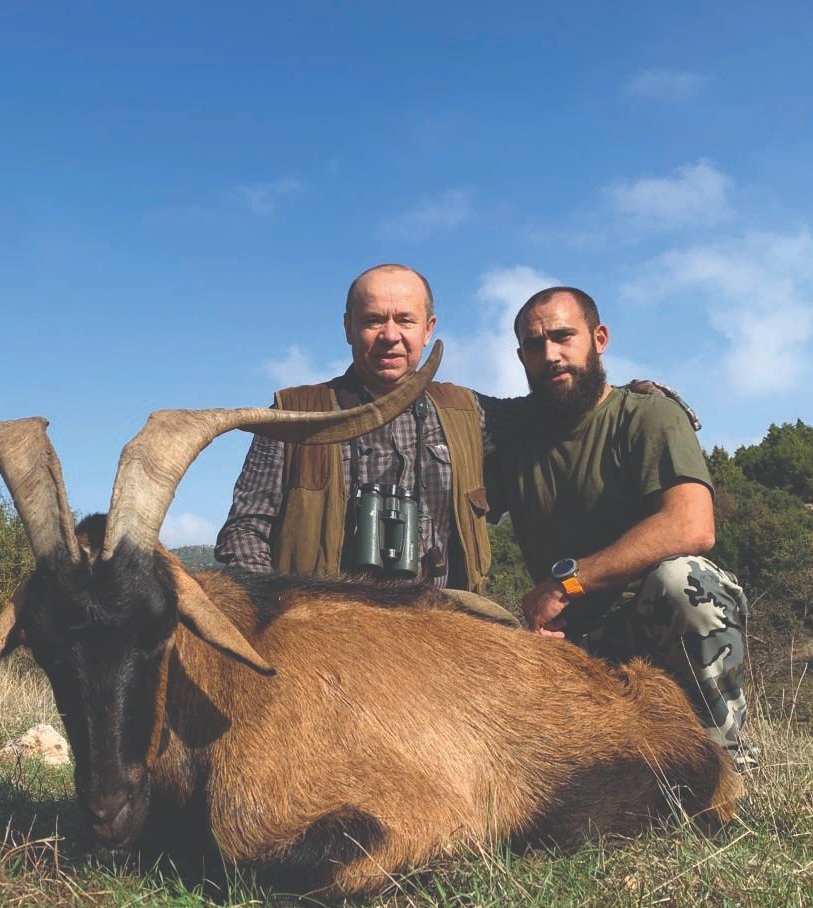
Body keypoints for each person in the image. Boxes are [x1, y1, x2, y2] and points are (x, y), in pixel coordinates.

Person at [485, 286, 750, 760]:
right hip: (564, 645)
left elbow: (692, 524)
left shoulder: (649, 415)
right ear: (521, 358)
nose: (551, 355)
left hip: (651, 631)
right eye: (534, 345)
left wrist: (567, 583)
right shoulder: (512, 441)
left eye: (563, 336)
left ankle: (725, 763)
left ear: (599, 338)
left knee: (687, 582)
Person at [215, 263, 495, 593]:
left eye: (405, 320)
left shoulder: (467, 411)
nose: (390, 336)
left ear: (428, 329)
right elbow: (244, 532)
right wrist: (281, 609)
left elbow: (545, 420)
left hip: (444, 619)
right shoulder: (292, 415)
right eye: (373, 320)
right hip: (327, 620)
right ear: (348, 328)